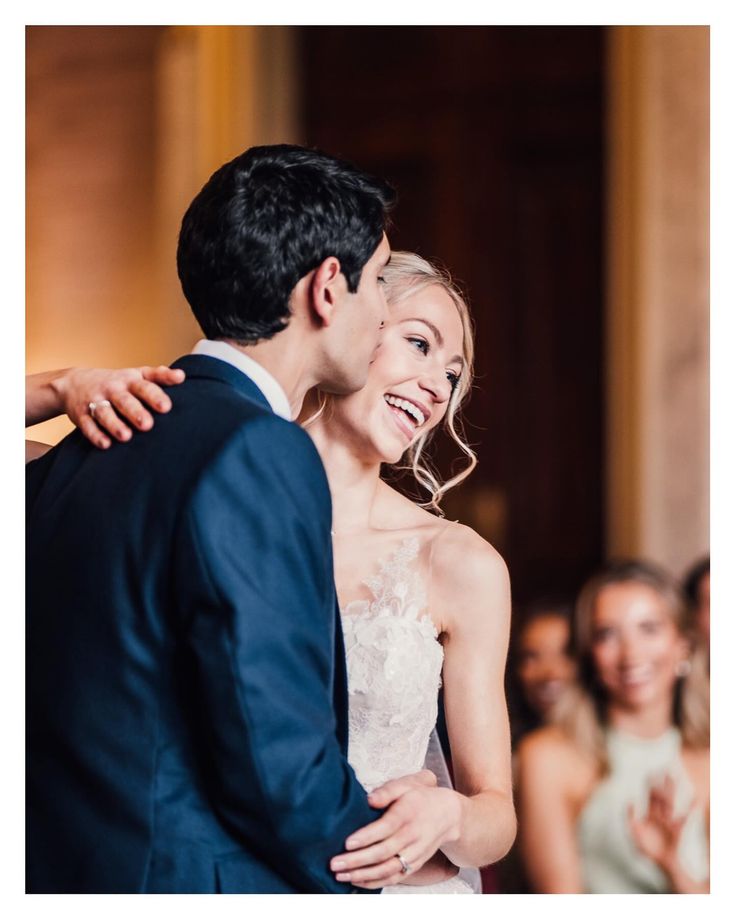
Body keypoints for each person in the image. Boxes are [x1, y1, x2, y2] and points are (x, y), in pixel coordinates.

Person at [27, 251, 516, 893]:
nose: (435, 386)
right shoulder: (180, 479)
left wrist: (448, 815)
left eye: (452, 374)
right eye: (418, 344)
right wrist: (62, 384)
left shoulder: (459, 563)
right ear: (345, 320)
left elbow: (496, 813)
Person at [26, 143, 401, 894]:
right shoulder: (258, 448)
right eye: (382, 280)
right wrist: (384, 873)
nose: (387, 310)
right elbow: (278, 763)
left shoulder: (75, 454)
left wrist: (54, 387)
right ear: (329, 286)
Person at [515, 560, 710, 893]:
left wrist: (672, 867)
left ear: (683, 646)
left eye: (649, 628)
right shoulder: (547, 757)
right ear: (590, 653)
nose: (631, 654)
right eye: (607, 634)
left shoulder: (711, 758)